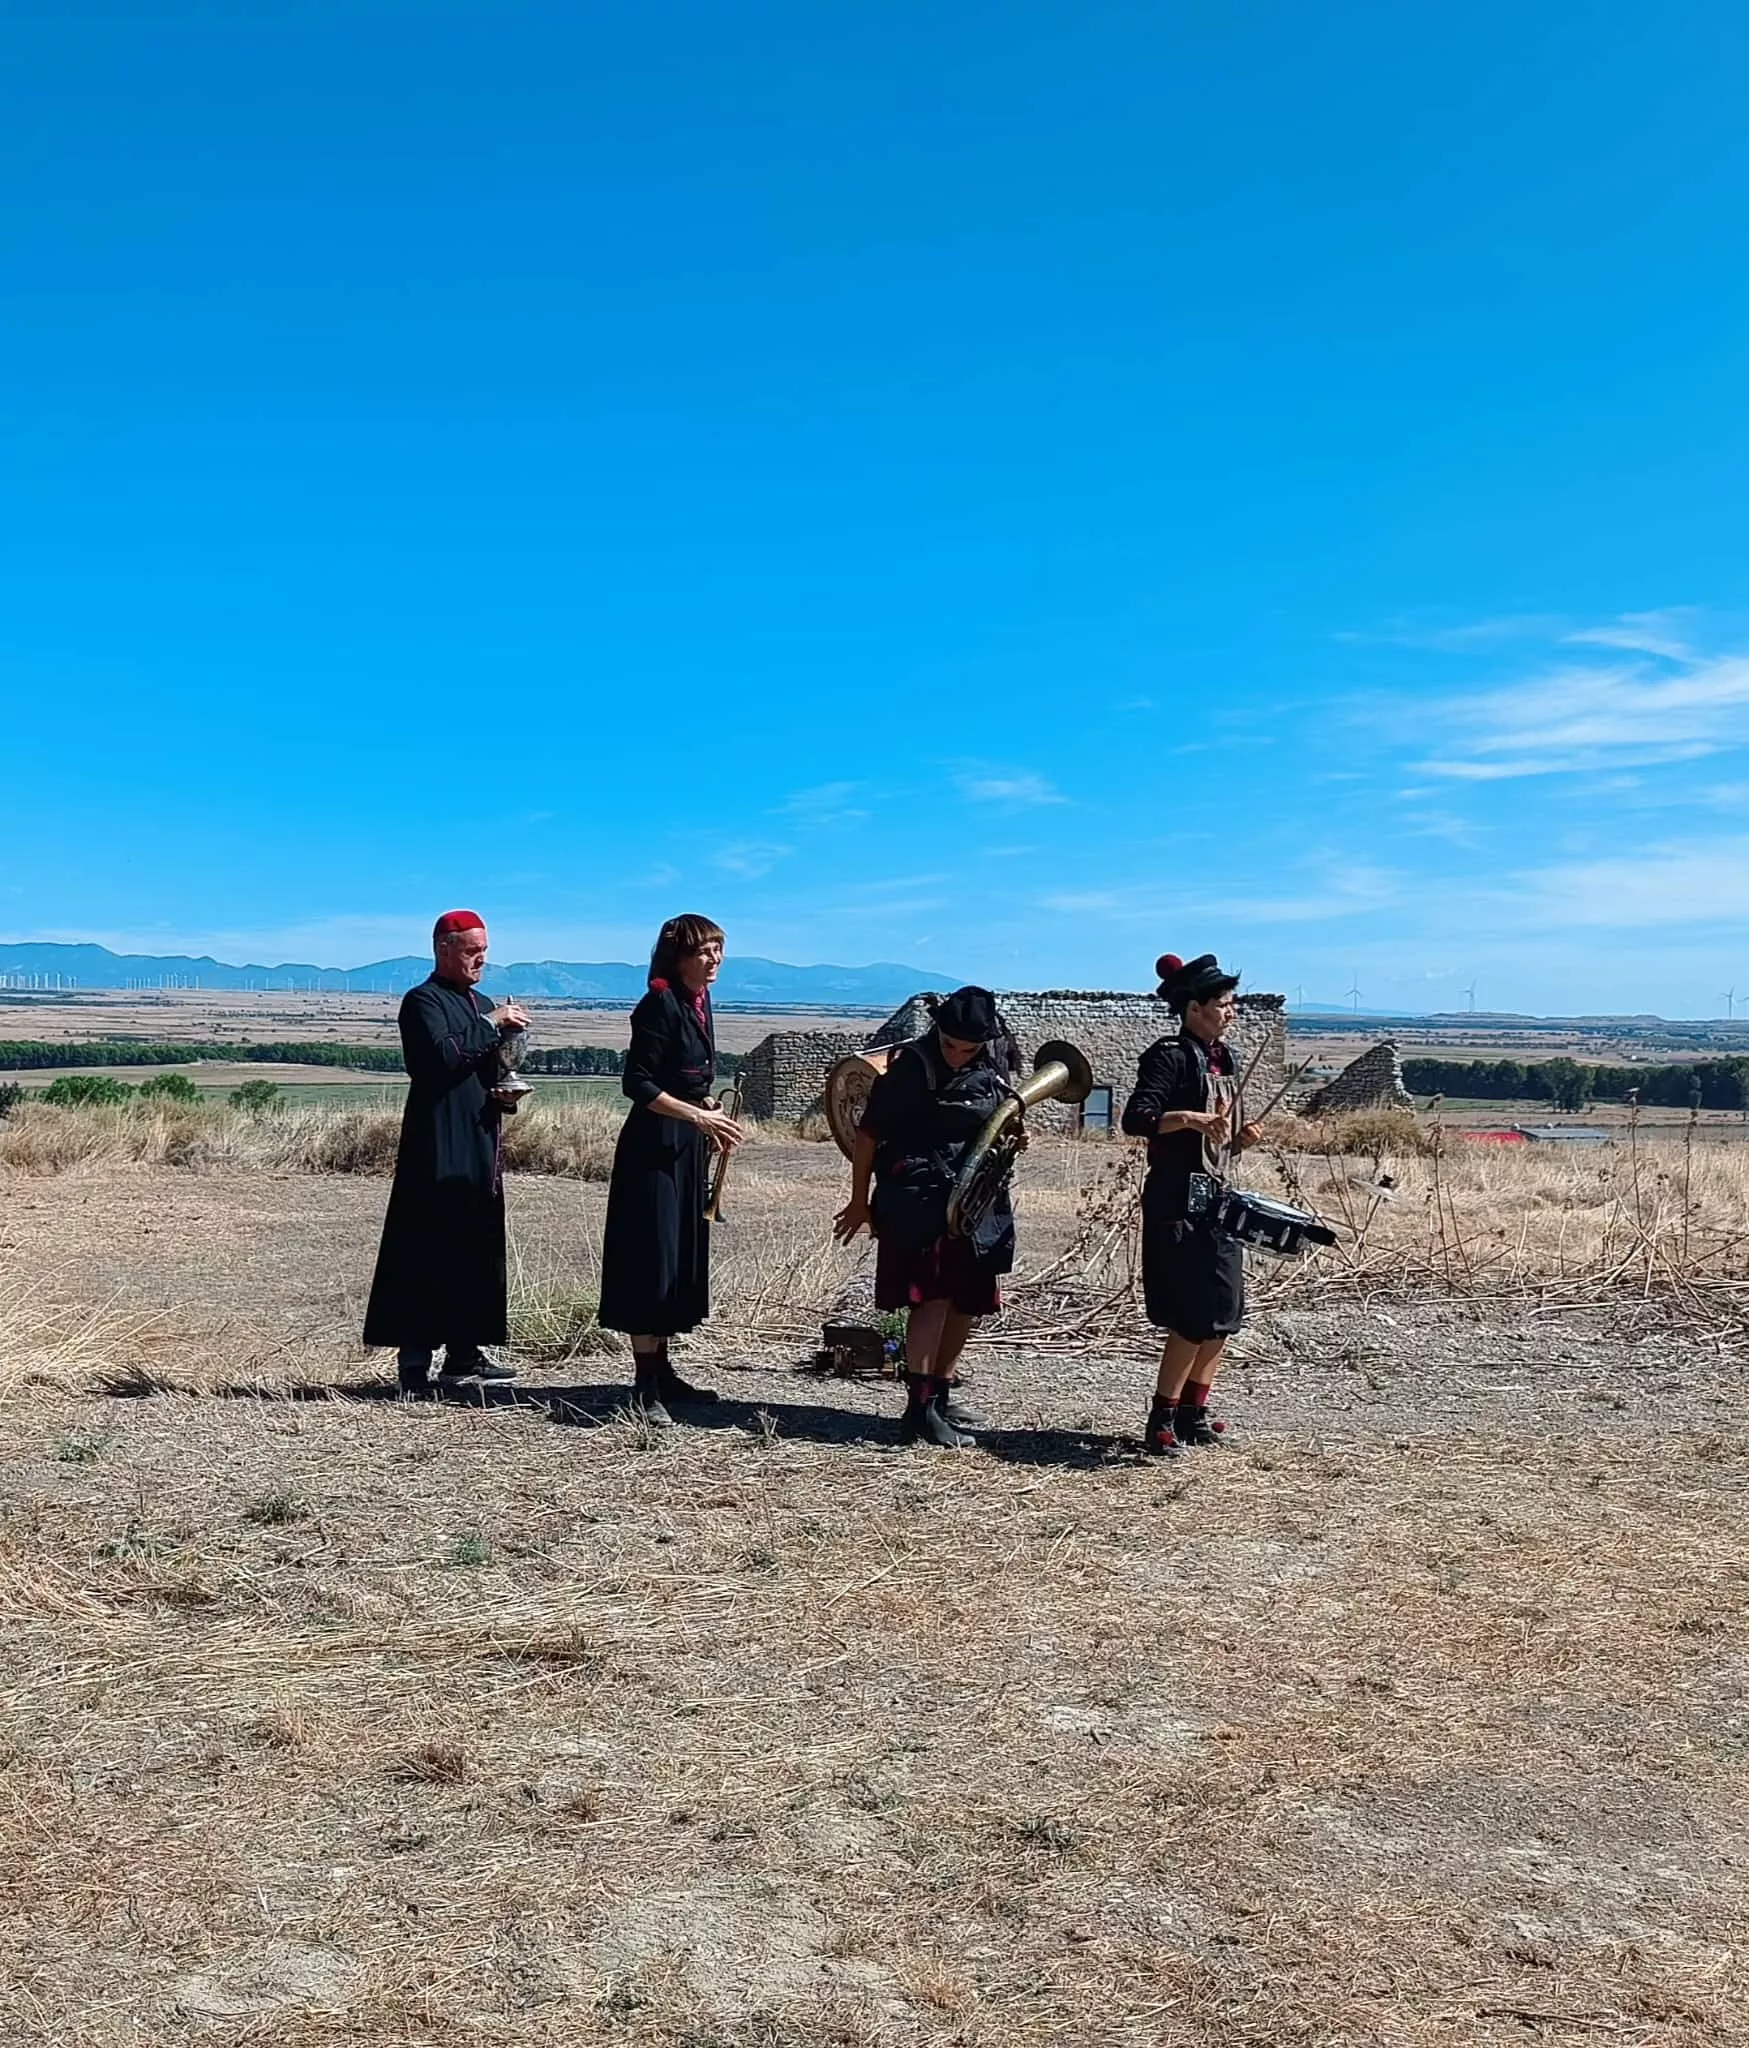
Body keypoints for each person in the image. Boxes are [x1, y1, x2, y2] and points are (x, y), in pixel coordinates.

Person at [833, 986, 1016, 1450]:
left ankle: (940, 1394)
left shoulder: (992, 1062)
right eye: (950, 1045)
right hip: (919, 1194)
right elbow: (869, 1135)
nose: (956, 1056)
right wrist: (860, 1202)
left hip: (976, 1198)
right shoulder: (911, 1067)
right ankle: (918, 1409)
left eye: (967, 1049)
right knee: (931, 1299)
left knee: (968, 1301)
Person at [363, 911, 531, 1394]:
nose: (481, 958)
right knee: (426, 1245)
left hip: (480, 1136)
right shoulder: (422, 1002)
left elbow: (487, 1068)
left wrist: (504, 1093)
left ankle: (465, 1353)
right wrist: (491, 1022)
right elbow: (438, 1060)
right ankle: (414, 1365)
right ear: (443, 949)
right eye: (471, 950)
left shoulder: (479, 1001)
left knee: (473, 1243)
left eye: (484, 950)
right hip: (435, 1143)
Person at [598, 914, 745, 1424]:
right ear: (678, 956)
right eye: (705, 951)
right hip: (652, 1147)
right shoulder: (659, 1003)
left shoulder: (698, 1004)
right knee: (650, 1258)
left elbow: (685, 1077)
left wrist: (709, 1111)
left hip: (684, 1145)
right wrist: (697, 1115)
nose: (714, 959)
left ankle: (663, 1370)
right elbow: (637, 1084)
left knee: (676, 1256)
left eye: (719, 950)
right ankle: (644, 1385)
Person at [1121, 952, 1264, 1454]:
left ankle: (1193, 1411)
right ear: (1195, 1007)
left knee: (1224, 1311)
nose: (1233, 1011)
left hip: (1219, 1197)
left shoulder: (1225, 1060)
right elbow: (1137, 1119)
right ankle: (1160, 1417)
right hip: (1177, 1200)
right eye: (1225, 1003)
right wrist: (1191, 1118)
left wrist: (1239, 1138)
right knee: (1191, 1313)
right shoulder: (1169, 1056)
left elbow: (1218, 1142)